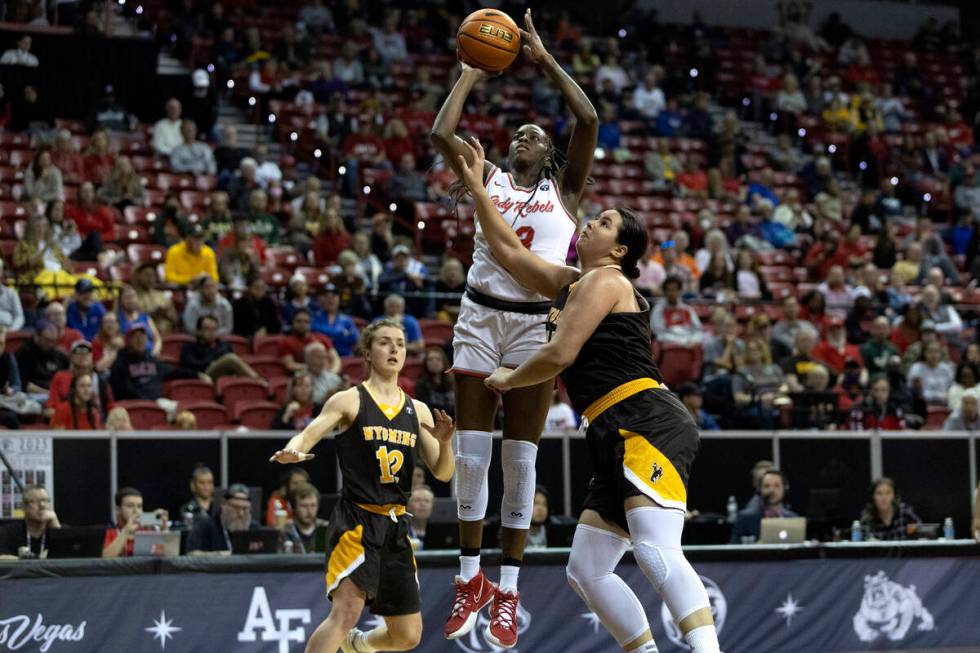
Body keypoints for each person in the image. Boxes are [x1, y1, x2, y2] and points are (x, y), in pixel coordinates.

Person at [456, 136, 721, 653]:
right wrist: (476, 190)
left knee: (655, 551)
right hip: (608, 427)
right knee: (587, 569)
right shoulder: (573, 282)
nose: (589, 224)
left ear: (619, 250)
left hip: (645, 418)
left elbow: (558, 355)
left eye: (602, 223)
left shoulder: (607, 280)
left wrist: (510, 379)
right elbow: (508, 251)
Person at [431, 14, 599, 645]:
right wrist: (471, 73)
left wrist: (546, 59)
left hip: (537, 328)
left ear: (548, 154)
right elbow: (442, 129)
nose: (524, 136)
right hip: (479, 316)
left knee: (521, 461)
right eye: (518, 133)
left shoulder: (567, 194)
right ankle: (469, 577)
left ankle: (508, 590)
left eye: (534, 133)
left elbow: (588, 122)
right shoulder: (488, 178)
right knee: (472, 457)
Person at [269, 319, 455, 653]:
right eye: (385, 342)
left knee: (408, 635)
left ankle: (359, 646)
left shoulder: (418, 409)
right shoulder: (349, 400)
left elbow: (443, 473)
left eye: (400, 342)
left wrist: (444, 444)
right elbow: (311, 432)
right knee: (346, 612)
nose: (395, 348)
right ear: (367, 353)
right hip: (357, 520)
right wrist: (295, 449)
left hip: (396, 525)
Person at [186, 484, 260, 554]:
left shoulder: (255, 529)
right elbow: (192, 555)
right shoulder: (203, 529)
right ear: (224, 505)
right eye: (236, 507)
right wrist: (224, 555)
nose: (241, 513)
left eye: (245, 509)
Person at [181, 315, 258, 380]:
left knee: (231, 360)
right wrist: (212, 362)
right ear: (199, 331)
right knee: (230, 358)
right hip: (203, 375)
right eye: (207, 329)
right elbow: (191, 365)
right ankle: (258, 381)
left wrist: (215, 362)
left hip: (223, 375)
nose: (211, 333)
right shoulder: (189, 347)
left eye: (214, 329)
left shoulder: (224, 345)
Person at [731, 469, 798, 544]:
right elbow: (734, 549)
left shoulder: (793, 518)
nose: (772, 490)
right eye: (767, 486)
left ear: (785, 489)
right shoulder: (745, 518)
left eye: (777, 486)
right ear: (760, 490)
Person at [102, 487, 169, 558]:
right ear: (118, 509)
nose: (136, 511)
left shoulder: (149, 530)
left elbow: (169, 556)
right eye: (130, 506)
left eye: (139, 506)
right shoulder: (111, 531)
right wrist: (126, 531)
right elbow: (105, 559)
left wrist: (164, 529)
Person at [48, 339, 111, 414]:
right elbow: (50, 409)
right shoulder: (60, 377)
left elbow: (111, 405)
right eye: (79, 352)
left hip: (98, 421)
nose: (83, 355)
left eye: (87, 352)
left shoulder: (100, 380)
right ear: (71, 356)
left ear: (92, 356)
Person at [0, 485, 60, 558]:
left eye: (45, 500)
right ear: (23, 507)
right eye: (35, 501)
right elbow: (2, 558)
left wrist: (57, 529)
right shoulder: (7, 532)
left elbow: (69, 560)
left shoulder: (57, 529)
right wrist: (33, 559)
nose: (42, 505)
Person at [279, 309, 337, 374]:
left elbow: (336, 359)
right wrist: (315, 368)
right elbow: (290, 365)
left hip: (326, 374)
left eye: (306, 321)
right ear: (293, 322)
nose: (302, 324)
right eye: (298, 321)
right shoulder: (286, 342)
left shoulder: (321, 338)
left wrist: (332, 372)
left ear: (311, 323)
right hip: (303, 376)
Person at [16, 321, 68, 393]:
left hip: (56, 392)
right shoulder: (24, 353)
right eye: (48, 340)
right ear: (37, 337)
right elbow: (24, 384)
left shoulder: (58, 354)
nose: (51, 344)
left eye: (54, 340)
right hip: (35, 394)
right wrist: (48, 393)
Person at [650, 276, 704, 346]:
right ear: (664, 292)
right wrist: (679, 342)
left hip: (688, 343)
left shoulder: (688, 309)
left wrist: (693, 340)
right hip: (669, 345)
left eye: (675, 289)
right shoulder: (658, 310)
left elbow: (698, 329)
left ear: (680, 291)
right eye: (669, 290)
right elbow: (659, 333)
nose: (672, 293)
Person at [311, 284, 358, 357]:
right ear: (322, 299)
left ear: (339, 299)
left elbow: (354, 337)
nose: (330, 299)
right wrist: (341, 333)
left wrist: (328, 335)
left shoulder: (347, 319)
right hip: (323, 357)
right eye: (327, 296)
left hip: (345, 357)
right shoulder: (315, 317)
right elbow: (314, 332)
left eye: (334, 296)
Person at [283, 482, 328, 553]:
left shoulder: (327, 528)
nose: (309, 511)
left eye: (313, 505)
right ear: (294, 507)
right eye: (304, 506)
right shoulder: (285, 530)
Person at [117, 285, 162, 357]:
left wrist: (154, 352)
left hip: (149, 354)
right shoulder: (117, 318)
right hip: (128, 356)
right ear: (120, 300)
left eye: (133, 296)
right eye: (127, 297)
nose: (131, 300)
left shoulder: (145, 317)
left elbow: (157, 339)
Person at [232, 274, 282, 338]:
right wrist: (253, 333)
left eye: (262, 288)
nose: (260, 291)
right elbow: (237, 327)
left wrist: (266, 330)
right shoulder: (239, 304)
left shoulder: (269, 302)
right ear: (249, 288)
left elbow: (275, 324)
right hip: (246, 337)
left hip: (267, 336)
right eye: (256, 287)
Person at [414, 346, 455, 418]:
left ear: (444, 362)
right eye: (430, 359)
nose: (434, 362)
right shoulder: (421, 385)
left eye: (438, 359)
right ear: (425, 363)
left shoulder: (453, 383)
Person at [407, 485, 434, 549]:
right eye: (417, 500)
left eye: (427, 501)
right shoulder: (400, 531)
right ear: (408, 506)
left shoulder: (439, 532)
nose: (422, 504)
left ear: (432, 507)